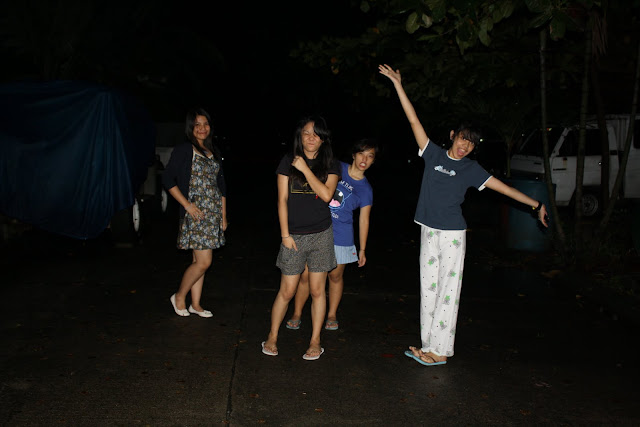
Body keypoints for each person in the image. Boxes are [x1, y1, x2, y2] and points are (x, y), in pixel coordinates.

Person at [378, 64, 548, 366]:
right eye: (462, 138)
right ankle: (428, 346)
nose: (465, 146)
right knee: (429, 290)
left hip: (453, 235)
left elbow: (505, 189)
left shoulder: (471, 169)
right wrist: (398, 85)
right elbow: (413, 119)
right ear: (453, 135)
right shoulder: (432, 153)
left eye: (471, 143)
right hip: (428, 230)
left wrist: (536, 205)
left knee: (448, 292)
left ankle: (441, 352)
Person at [261, 116, 340, 361]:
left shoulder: (331, 163)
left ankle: (315, 340)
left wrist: (305, 169)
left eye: (316, 133)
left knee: (317, 290)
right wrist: (285, 235)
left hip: (321, 235)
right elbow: (282, 200)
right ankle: (272, 335)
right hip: (293, 236)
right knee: (287, 290)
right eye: (306, 132)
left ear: (323, 138)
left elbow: (326, 195)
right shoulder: (288, 161)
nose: (311, 137)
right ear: (300, 136)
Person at [286, 139, 377, 332]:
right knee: (306, 276)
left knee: (335, 276)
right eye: (361, 154)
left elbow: (364, 220)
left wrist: (362, 249)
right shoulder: (337, 167)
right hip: (317, 228)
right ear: (353, 155)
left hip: (342, 236)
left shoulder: (366, 190)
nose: (364, 159)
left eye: (370, 156)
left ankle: (332, 314)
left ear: (373, 161)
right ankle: (297, 312)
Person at [163, 108, 227, 318]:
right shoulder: (185, 149)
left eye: (205, 124)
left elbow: (221, 186)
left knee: (198, 263)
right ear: (191, 127)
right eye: (197, 124)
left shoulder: (213, 151)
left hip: (212, 214)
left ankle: (196, 304)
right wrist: (187, 205)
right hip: (196, 214)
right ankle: (179, 296)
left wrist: (223, 215)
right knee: (203, 262)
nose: (202, 128)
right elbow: (167, 179)